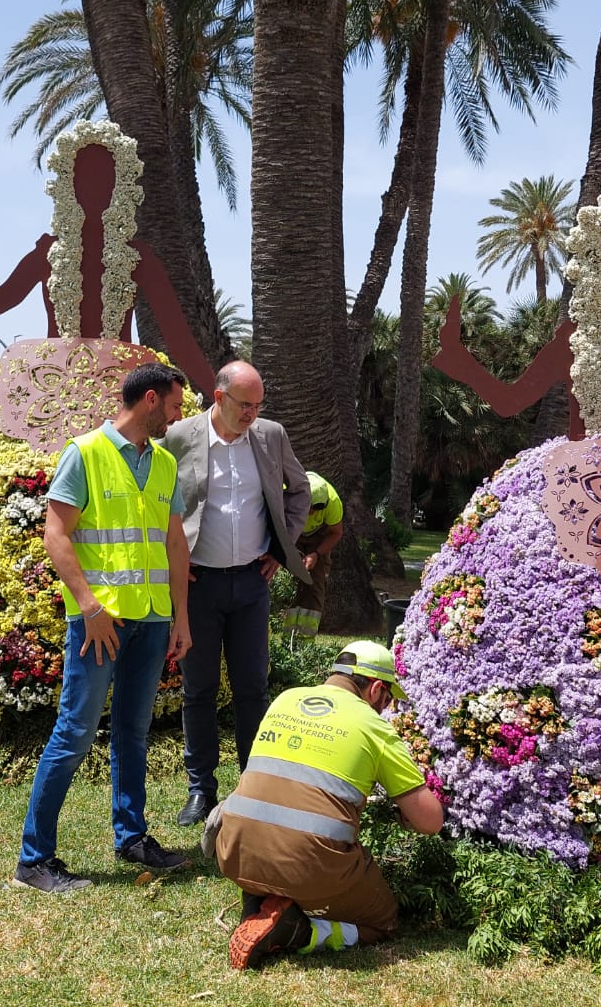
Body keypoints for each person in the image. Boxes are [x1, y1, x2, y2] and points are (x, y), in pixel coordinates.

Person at [12, 363, 195, 894]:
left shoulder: (163, 463)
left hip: (152, 620)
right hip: (99, 623)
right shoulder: (84, 453)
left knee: (133, 734)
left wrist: (180, 617)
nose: (180, 416)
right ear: (153, 400)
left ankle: (132, 837)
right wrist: (89, 607)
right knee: (75, 733)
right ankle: (34, 859)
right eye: (177, 406)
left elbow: (175, 545)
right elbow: (55, 535)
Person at [209, 640, 444, 969]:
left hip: (234, 853)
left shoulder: (285, 699)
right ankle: (298, 931)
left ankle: (260, 895)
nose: (385, 707)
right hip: (308, 867)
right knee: (383, 921)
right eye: (388, 699)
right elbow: (430, 820)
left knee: (279, 849)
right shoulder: (373, 725)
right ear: (376, 689)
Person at [162, 360, 311, 827]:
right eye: (245, 405)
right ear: (219, 397)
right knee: (199, 690)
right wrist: (170, 560)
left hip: (251, 582)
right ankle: (200, 791)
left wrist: (279, 547)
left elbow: (299, 490)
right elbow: (158, 500)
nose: (252, 413)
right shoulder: (181, 436)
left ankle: (252, 786)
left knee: (252, 688)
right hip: (198, 584)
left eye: (258, 404)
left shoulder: (270, 436)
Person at [282, 472, 344, 641]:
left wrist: (316, 555)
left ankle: (306, 640)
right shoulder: (285, 493)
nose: (311, 514)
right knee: (288, 584)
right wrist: (288, 550)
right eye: (309, 509)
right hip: (290, 535)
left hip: (319, 540)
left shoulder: (333, 503)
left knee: (315, 586)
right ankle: (286, 635)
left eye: (317, 510)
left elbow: (336, 533)